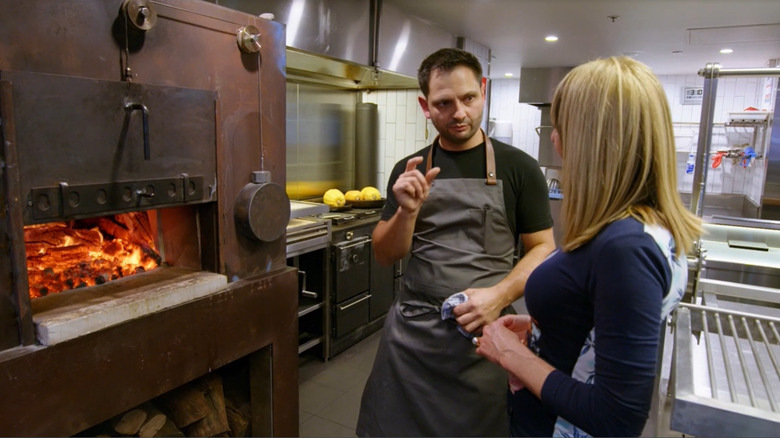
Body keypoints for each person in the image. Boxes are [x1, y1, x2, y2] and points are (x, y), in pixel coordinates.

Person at [475, 56, 703, 437]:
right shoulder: (641, 230)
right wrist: (543, 328)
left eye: (561, 126)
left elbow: (617, 417)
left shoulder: (626, 248)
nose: (553, 137)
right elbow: (602, 325)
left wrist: (510, 355)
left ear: (592, 140)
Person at [356, 48, 556, 437]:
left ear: (483, 91)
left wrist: (498, 297)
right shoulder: (409, 170)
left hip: (485, 340)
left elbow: (543, 247)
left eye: (468, 98)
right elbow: (384, 253)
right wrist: (406, 212)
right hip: (414, 340)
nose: (459, 113)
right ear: (425, 106)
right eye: (444, 103)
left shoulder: (519, 169)